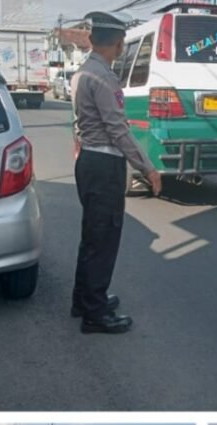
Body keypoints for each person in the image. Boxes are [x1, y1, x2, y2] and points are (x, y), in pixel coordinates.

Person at [71, 11, 162, 334]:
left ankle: (84, 299)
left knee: (92, 236)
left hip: (89, 162)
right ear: (119, 44)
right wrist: (148, 168)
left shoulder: (83, 72)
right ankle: (94, 314)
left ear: (94, 40)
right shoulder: (103, 78)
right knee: (104, 238)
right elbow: (118, 131)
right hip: (104, 165)